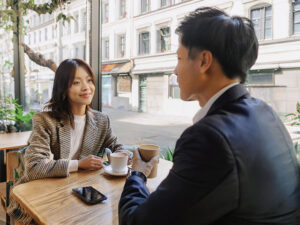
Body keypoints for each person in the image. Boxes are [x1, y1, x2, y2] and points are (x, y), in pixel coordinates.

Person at [119, 7, 300, 225]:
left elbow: (137, 221)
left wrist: (138, 174)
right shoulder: (265, 112)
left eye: (179, 58)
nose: (175, 71)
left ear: (204, 61)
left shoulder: (209, 138)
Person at [8, 58, 122, 224]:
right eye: (76, 82)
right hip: (39, 194)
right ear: (63, 89)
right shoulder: (45, 120)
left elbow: (117, 147)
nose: (86, 87)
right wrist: (79, 164)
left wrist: (123, 156)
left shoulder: (101, 120)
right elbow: (35, 167)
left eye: (89, 80)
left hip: (76, 192)